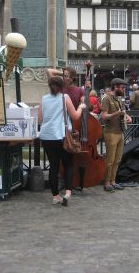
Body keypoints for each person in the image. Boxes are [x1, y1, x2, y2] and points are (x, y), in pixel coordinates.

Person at [39, 76, 85, 206]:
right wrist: (81, 107)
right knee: (68, 164)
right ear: (62, 87)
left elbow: (40, 119)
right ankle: (68, 193)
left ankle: (55, 196)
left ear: (49, 86)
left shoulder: (43, 99)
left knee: (53, 166)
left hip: (47, 136)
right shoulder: (64, 98)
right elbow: (75, 116)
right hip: (61, 136)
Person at [101, 78, 132, 193]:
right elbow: (104, 116)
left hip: (120, 132)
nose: (123, 89)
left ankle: (113, 181)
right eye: (122, 87)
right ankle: (107, 182)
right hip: (110, 132)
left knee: (118, 159)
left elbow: (122, 112)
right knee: (110, 160)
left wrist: (127, 117)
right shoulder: (107, 99)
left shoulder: (120, 99)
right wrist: (117, 113)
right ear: (115, 87)